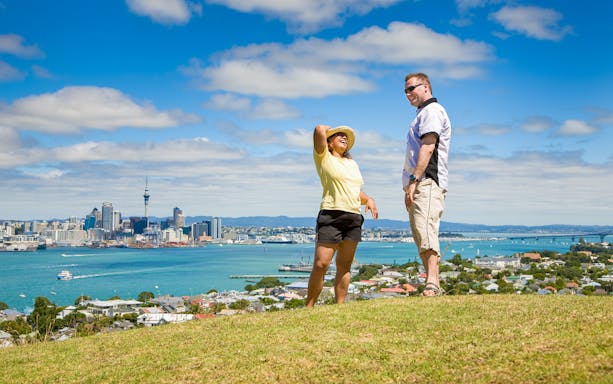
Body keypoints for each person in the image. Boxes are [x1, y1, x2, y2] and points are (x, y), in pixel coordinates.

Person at [306, 124, 378, 307]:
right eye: (338, 136)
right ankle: (309, 306)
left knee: (344, 266)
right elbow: (319, 130)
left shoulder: (352, 164)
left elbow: (356, 191)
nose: (344, 137)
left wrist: (368, 199)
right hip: (332, 215)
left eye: (345, 136)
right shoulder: (324, 158)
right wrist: (327, 130)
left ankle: (340, 305)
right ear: (329, 143)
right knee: (321, 264)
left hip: (353, 217)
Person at [402, 72, 451, 297]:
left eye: (412, 88)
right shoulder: (422, 113)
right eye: (405, 90)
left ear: (426, 87)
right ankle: (432, 281)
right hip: (419, 183)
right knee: (420, 233)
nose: (408, 94)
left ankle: (432, 283)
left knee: (426, 230)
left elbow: (428, 147)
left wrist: (414, 181)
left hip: (427, 181)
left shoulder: (432, 111)